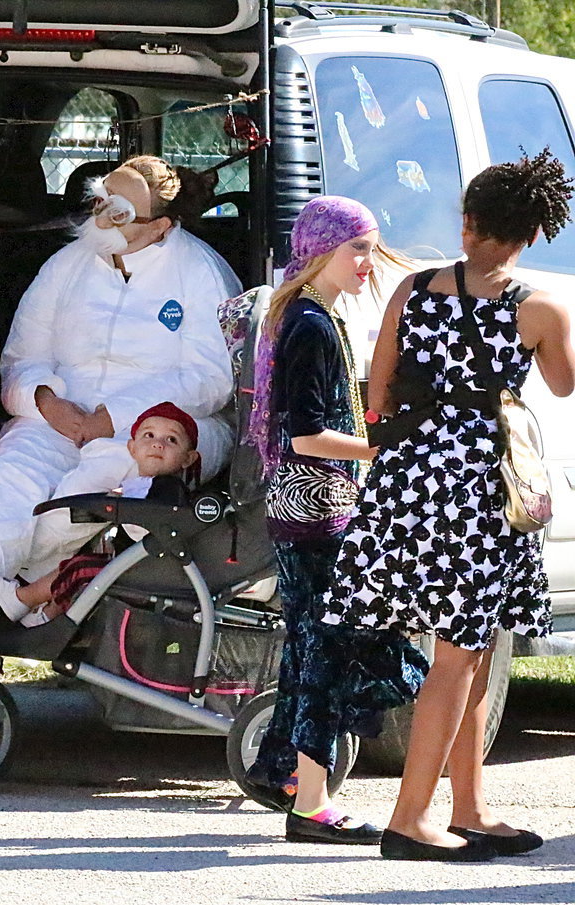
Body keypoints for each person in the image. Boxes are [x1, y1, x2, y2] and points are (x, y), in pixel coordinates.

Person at [0, 155, 241, 690]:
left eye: (121, 208)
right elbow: (17, 363)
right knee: (9, 481)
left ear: (160, 226)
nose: (103, 215)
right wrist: (47, 401)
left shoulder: (200, 273)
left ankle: (9, 594)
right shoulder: (67, 264)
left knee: (85, 493)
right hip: (59, 418)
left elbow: (212, 379)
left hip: (158, 425)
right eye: (102, 199)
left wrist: (116, 416)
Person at [323, 151, 575, 861]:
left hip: (407, 482)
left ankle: (470, 806)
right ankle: (410, 818)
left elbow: (374, 397)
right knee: (460, 653)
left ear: (467, 223)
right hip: (483, 492)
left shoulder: (413, 290)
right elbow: (561, 383)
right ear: (532, 235)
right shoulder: (538, 307)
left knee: (471, 642)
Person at [242, 196, 426, 845]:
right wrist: (383, 447)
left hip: (303, 513)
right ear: (321, 250)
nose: (366, 263)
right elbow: (306, 434)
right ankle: (312, 804)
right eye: (357, 249)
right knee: (332, 652)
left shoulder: (305, 315)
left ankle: (281, 771)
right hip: (319, 514)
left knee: (311, 647)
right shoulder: (312, 324)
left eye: (372, 249)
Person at [0, 402, 200, 626]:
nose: (157, 444)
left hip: (150, 570)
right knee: (77, 567)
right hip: (133, 563)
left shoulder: (169, 489)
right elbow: (127, 497)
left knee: (82, 570)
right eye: (149, 435)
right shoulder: (139, 484)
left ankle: (34, 609)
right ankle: (32, 607)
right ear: (132, 448)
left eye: (171, 440)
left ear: (188, 458)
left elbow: (144, 523)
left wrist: (115, 508)